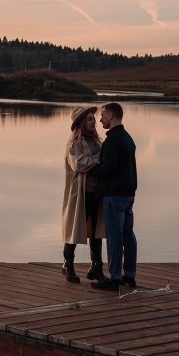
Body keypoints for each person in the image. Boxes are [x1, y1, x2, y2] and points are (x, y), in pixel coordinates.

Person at [91, 102, 137, 291]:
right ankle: (130, 276)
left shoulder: (112, 140)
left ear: (111, 116)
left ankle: (114, 278)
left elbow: (108, 168)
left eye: (102, 115)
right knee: (128, 234)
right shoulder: (127, 138)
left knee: (114, 236)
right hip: (128, 194)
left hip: (114, 195)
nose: (100, 119)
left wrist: (91, 169)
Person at [61, 105, 105, 283]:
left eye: (93, 118)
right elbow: (79, 164)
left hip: (96, 193)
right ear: (80, 123)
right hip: (79, 193)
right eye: (89, 119)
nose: (93, 121)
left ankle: (96, 268)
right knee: (74, 228)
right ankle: (68, 264)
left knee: (96, 231)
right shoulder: (74, 143)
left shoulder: (98, 141)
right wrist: (98, 159)